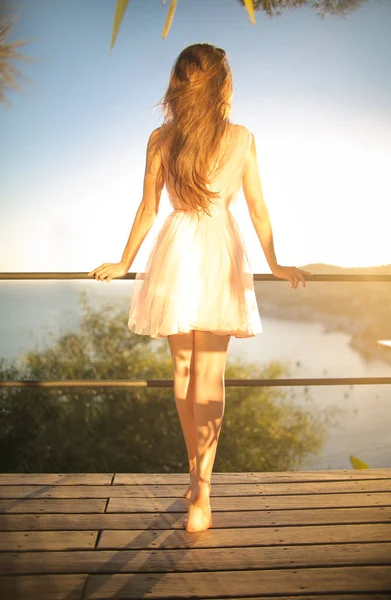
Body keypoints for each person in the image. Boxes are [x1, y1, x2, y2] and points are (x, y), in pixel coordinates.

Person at [87, 43, 313, 533]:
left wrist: (126, 260)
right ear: (222, 85)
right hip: (214, 249)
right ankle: (200, 488)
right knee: (204, 374)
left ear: (179, 82)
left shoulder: (163, 137)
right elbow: (256, 208)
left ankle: (197, 481)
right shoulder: (240, 136)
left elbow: (150, 208)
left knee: (188, 372)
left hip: (179, 248)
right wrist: (274, 263)